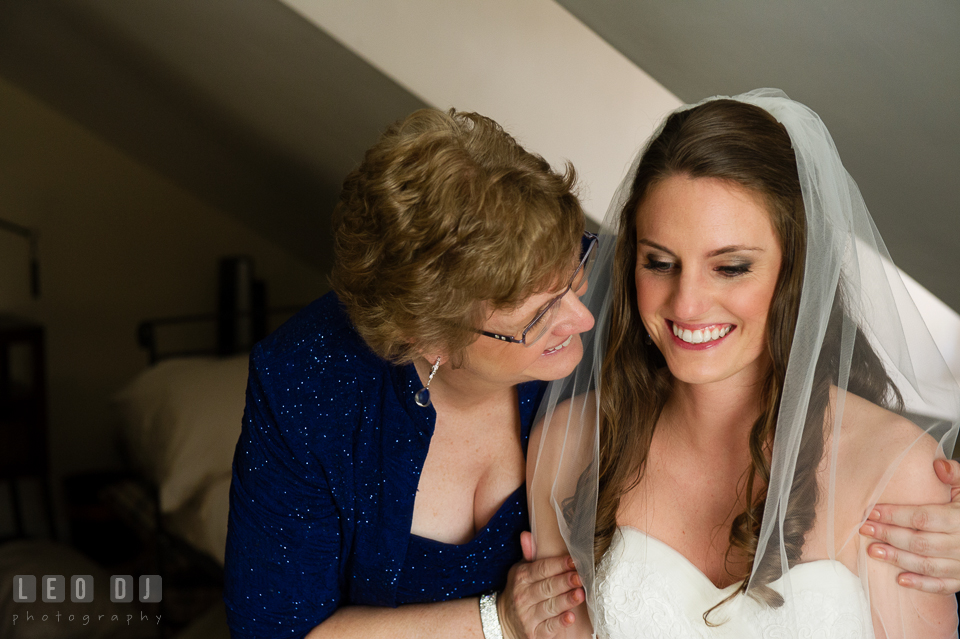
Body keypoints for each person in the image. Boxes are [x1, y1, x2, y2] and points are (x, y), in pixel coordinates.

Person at [528, 89, 960, 638]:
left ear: (795, 271)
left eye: (730, 267)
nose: (685, 304)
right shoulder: (567, 445)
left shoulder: (896, 475)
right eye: (659, 263)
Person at [224, 108, 591, 639]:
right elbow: (275, 633)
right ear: (430, 338)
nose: (583, 318)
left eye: (574, 275)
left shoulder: (597, 308)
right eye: (537, 318)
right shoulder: (306, 386)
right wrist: (501, 619)